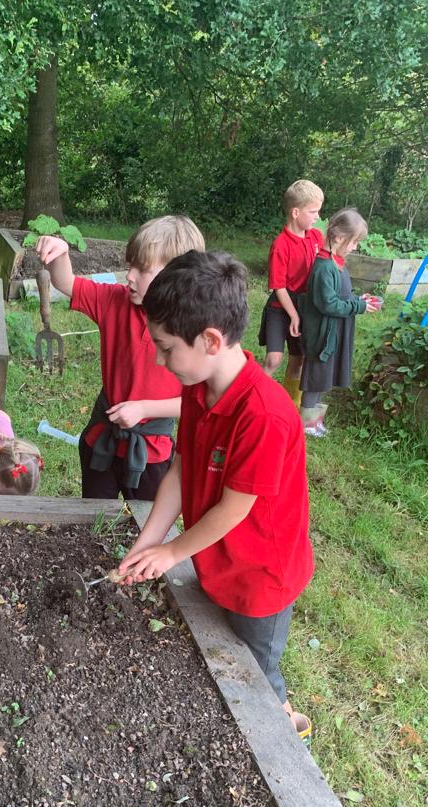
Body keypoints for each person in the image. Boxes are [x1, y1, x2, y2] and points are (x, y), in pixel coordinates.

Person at [118, 249, 314, 740]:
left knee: (255, 668)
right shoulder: (197, 384)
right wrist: (150, 540)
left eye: (165, 348)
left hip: (260, 577)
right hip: (218, 560)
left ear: (209, 340)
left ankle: (284, 724)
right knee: (222, 654)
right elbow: (182, 470)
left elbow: (233, 508)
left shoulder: (264, 415)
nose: (161, 361)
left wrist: (172, 552)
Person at [36, 215, 205, 500]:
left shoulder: (193, 329)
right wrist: (60, 253)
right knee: (93, 518)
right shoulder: (114, 301)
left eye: (142, 269)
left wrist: (144, 409)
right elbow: (67, 283)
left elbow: (195, 402)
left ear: (177, 276)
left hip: (151, 452)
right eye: (131, 266)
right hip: (102, 441)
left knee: (145, 522)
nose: (129, 275)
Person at [299, 208, 380, 437]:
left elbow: (341, 296)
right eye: (354, 242)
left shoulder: (337, 262)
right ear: (339, 238)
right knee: (315, 379)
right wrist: (358, 307)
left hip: (334, 333)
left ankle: (315, 422)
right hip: (322, 336)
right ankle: (305, 425)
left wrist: (357, 299)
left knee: (325, 377)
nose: (356, 247)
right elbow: (329, 304)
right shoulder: (324, 267)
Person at [259, 179, 325, 406]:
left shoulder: (316, 237)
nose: (317, 216)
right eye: (313, 211)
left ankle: (289, 405)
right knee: (274, 359)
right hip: (281, 307)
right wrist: (293, 316)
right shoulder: (281, 245)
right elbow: (279, 287)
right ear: (296, 212)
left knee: (298, 359)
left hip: (305, 307)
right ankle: (257, 400)